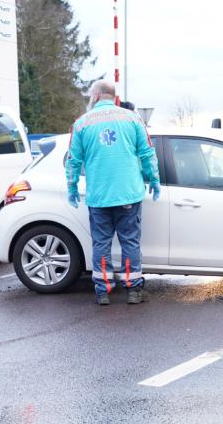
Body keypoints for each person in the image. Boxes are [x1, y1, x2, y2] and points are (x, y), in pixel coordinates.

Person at [66, 80, 161, 305]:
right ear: (114, 97)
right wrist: (154, 180)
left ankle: (103, 291)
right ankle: (134, 290)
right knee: (130, 242)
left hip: (99, 196)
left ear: (97, 95)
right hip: (128, 194)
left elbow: (73, 160)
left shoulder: (81, 124)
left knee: (101, 243)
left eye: (91, 94)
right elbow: (148, 153)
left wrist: (71, 187)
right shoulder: (132, 119)